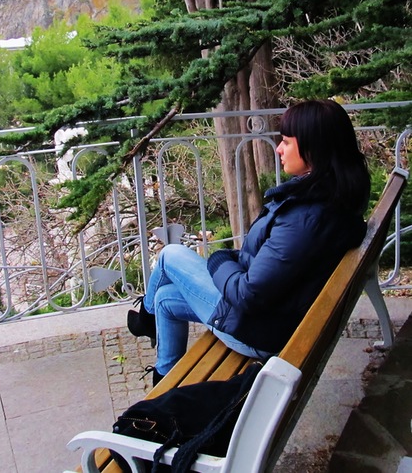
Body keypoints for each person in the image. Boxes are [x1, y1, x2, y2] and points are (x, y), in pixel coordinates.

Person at [128, 99, 371, 386]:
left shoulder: (306, 218)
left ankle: (145, 319)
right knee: (165, 298)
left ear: (314, 148)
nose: (278, 149)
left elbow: (248, 293)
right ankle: (165, 382)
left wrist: (219, 259)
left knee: (170, 254)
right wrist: (235, 259)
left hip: (259, 331)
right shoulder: (332, 196)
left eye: (286, 142)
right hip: (276, 317)